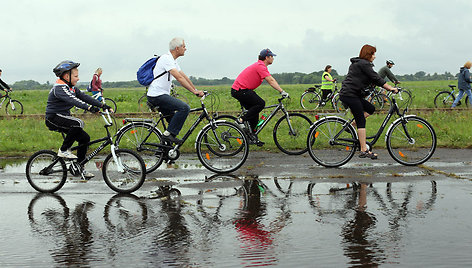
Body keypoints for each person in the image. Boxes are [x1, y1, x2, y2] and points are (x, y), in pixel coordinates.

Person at [45, 60, 112, 178]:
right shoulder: (60, 88)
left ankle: (80, 167)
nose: (78, 78)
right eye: (76, 76)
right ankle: (64, 150)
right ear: (66, 76)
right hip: (53, 118)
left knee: (85, 138)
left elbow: (84, 97)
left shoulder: (71, 88)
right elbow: (74, 100)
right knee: (78, 123)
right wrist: (89, 108)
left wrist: (102, 105)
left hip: (63, 117)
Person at [339, 45, 398, 159]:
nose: (374, 57)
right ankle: (363, 150)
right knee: (361, 120)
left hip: (351, 94)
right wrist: (390, 88)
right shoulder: (364, 64)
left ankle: (351, 126)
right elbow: (376, 77)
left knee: (371, 109)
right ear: (368, 54)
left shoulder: (358, 63)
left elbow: (371, 79)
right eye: (373, 54)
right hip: (350, 95)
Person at [146, 37, 204, 144]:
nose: (185, 49)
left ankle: (163, 151)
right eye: (184, 46)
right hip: (156, 95)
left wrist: (196, 89)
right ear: (177, 48)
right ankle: (167, 137)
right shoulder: (166, 59)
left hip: (161, 95)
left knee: (173, 123)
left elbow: (184, 76)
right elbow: (179, 78)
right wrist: (194, 92)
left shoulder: (173, 61)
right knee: (184, 108)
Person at [231, 48, 289, 145]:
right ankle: (240, 120)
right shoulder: (260, 66)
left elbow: (270, 79)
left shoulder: (261, 66)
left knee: (255, 112)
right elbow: (270, 80)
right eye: (272, 56)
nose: (273, 58)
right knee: (261, 103)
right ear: (267, 57)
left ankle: (252, 137)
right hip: (240, 90)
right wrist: (281, 91)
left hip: (241, 90)